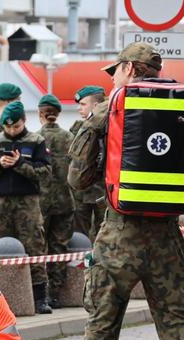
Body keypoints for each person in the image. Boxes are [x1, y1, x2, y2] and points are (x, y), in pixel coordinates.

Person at [68, 42, 184, 340]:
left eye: (115, 70)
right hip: (166, 239)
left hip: (118, 236)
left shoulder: (108, 112)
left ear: (130, 69)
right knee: (179, 327)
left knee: (101, 326)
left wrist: (96, 128)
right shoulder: (180, 108)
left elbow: (77, 180)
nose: (112, 77)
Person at [0, 101, 52, 314]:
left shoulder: (35, 141)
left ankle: (39, 297)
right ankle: (1, 296)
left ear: (24, 121)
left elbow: (45, 172)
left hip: (28, 201)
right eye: (7, 127)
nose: (11, 130)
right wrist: (0, 165)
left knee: (34, 245)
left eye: (15, 126)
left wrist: (20, 165)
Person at [36, 94, 74, 309]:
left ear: (41, 114)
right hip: (65, 201)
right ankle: (56, 294)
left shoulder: (36, 138)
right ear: (57, 113)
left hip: (41, 202)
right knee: (59, 246)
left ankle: (41, 293)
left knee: (40, 246)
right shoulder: (69, 138)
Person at [70, 86, 106, 242]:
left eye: (83, 104)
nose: (80, 109)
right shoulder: (78, 128)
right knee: (79, 238)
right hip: (81, 192)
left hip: (102, 191)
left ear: (97, 105)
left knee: (103, 233)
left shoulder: (108, 127)